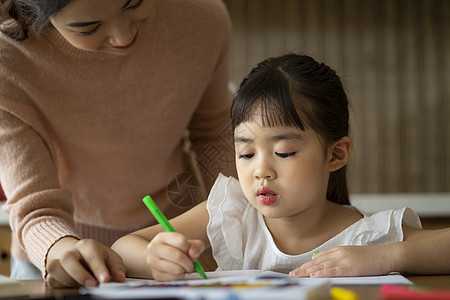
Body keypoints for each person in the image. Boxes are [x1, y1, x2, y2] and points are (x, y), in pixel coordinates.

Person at [112, 53, 450, 281]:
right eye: (246, 154)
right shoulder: (234, 213)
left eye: (284, 152)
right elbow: (123, 248)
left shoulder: (369, 237)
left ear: (335, 155)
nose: (261, 171)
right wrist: (154, 259)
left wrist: (386, 258)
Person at [0, 0, 235, 288]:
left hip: (173, 244)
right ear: (29, 11)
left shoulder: (201, 15)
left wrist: (241, 214)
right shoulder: (6, 59)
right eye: (88, 28)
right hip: (64, 255)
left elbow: (216, 131)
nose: (124, 38)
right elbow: (35, 205)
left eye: (134, 3)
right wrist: (59, 246)